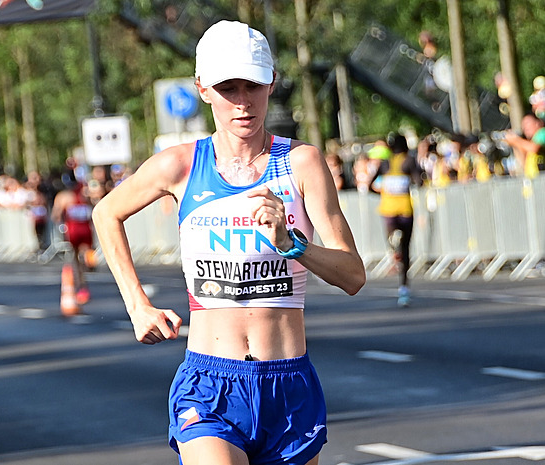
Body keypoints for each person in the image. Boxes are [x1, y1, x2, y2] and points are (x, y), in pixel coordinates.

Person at [92, 20, 365, 465]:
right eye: (228, 88)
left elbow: (353, 275)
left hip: (288, 384)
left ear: (271, 84)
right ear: (202, 89)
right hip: (210, 383)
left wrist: (293, 244)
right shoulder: (180, 165)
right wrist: (137, 304)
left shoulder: (301, 163)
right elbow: (107, 212)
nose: (242, 102)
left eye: (253, 86)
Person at [369, 134, 423, 307]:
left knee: (394, 243)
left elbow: (370, 184)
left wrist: (383, 191)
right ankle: (404, 287)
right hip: (405, 209)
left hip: (388, 209)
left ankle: (393, 243)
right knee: (407, 249)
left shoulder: (385, 164)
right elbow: (419, 181)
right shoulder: (409, 161)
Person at [51, 176, 95, 304]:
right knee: (82, 256)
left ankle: (82, 283)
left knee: (77, 259)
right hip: (82, 229)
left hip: (75, 230)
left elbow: (56, 215)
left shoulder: (64, 197)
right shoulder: (85, 194)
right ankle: (83, 280)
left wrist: (60, 222)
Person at [503, 113, 545, 179]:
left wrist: (516, 140)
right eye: (523, 126)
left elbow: (533, 148)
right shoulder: (529, 143)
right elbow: (524, 164)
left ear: (538, 123)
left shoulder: (542, 133)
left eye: (527, 123)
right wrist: (515, 144)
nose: (525, 128)